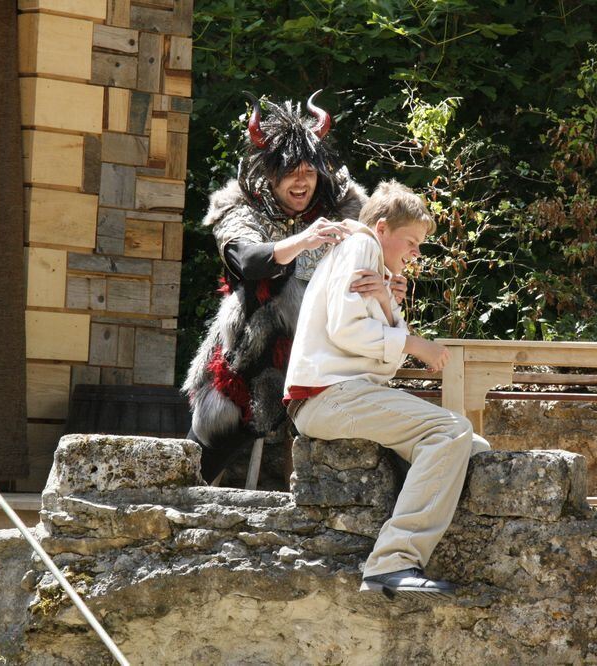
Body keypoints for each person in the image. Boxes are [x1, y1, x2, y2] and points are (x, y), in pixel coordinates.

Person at [284, 180, 490, 599]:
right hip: (326, 395)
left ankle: (413, 542)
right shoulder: (360, 247)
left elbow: (384, 358)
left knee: (473, 448)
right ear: (381, 228)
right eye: (411, 241)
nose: (415, 253)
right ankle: (392, 563)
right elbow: (349, 332)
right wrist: (414, 343)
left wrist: (386, 305)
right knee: (450, 431)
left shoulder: (378, 267)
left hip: (344, 394)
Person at [182, 91, 372, 483]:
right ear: (269, 172)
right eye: (290, 171)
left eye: (309, 170)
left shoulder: (343, 204)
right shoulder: (239, 207)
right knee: (200, 464)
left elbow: (377, 251)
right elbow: (246, 261)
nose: (301, 181)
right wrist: (303, 241)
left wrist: (387, 284)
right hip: (254, 352)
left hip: (328, 351)